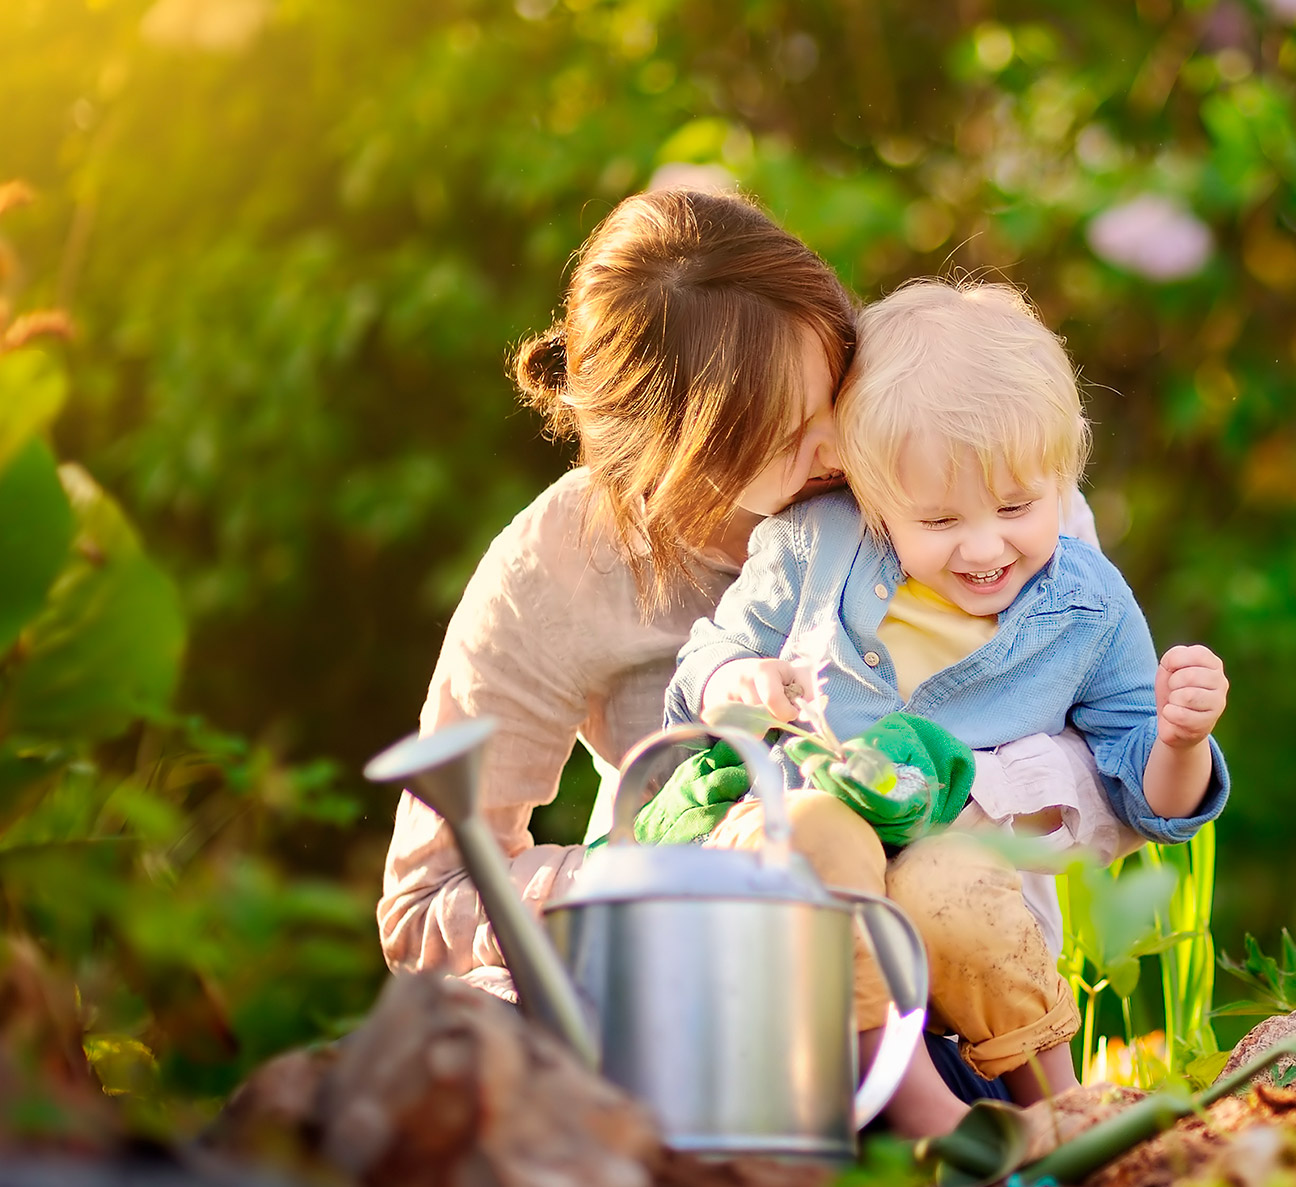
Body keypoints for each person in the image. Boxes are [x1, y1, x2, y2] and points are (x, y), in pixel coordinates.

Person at [376, 190, 1117, 1026]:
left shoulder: (957, 460)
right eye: (783, 434)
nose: (842, 445)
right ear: (674, 459)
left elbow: (1120, 751)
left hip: (952, 996)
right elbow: (424, 900)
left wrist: (947, 795)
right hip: (688, 1007)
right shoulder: (566, 557)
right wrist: (658, 876)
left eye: (838, 376)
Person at [663, 279, 1231, 1137]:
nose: (983, 545)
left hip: (954, 885)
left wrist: (1181, 741)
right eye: (938, 518)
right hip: (799, 861)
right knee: (819, 829)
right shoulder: (817, 544)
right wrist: (731, 681)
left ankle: (1062, 1109)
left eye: (1014, 507)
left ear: (1062, 476)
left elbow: (1146, 797)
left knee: (951, 872)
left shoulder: (1087, 608)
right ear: (875, 500)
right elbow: (701, 660)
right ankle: (913, 1103)